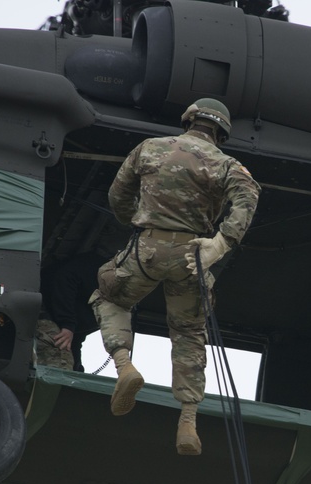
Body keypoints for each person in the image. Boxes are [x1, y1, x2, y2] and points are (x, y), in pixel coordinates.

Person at [90, 97, 261, 455]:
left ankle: (124, 367)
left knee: (109, 296)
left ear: (189, 120)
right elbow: (249, 194)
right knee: (188, 332)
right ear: (221, 132)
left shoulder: (149, 148)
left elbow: (118, 196)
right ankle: (187, 420)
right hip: (192, 257)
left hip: (147, 251)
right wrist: (221, 243)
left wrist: (135, 220)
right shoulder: (225, 163)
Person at [36, 251, 102, 371]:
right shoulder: (98, 269)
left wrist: (76, 366)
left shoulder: (117, 308)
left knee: (70, 366)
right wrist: (67, 324)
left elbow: (76, 337)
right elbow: (65, 277)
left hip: (60, 321)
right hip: (40, 303)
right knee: (60, 362)